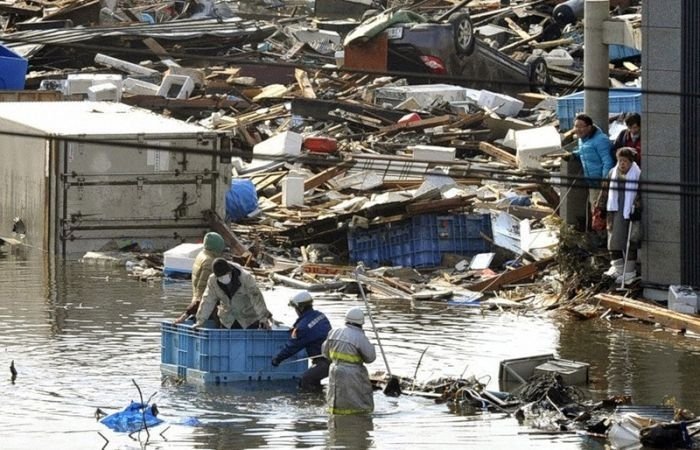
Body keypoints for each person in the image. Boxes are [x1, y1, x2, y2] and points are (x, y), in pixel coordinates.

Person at [271, 291, 332, 391]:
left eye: (295, 308)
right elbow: (312, 330)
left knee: (305, 380)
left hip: (324, 362)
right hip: (332, 359)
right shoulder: (320, 316)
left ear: (301, 308)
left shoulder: (303, 328)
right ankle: (319, 399)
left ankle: (311, 403)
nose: (295, 311)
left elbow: (292, 347)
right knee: (314, 380)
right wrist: (295, 329)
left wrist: (277, 359)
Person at [322, 307, 376, 415]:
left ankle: (336, 421)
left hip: (334, 369)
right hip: (353, 373)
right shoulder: (359, 337)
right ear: (361, 323)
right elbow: (370, 358)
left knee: (335, 395)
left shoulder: (334, 332)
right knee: (359, 399)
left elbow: (325, 353)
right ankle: (357, 420)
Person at [599, 147, 641, 284]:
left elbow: (641, 195)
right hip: (615, 211)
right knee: (613, 241)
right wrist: (600, 206)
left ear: (631, 162)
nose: (622, 164)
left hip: (630, 212)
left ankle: (629, 272)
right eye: (620, 160)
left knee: (630, 241)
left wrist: (638, 209)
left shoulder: (638, 174)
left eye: (625, 161)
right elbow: (605, 190)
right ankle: (618, 268)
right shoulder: (613, 172)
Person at [195, 258, 273, 329]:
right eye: (220, 277)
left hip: (248, 319)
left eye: (225, 275)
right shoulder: (212, 281)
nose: (223, 279)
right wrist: (200, 321)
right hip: (228, 320)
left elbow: (256, 298)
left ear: (230, 271)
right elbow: (208, 300)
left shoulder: (245, 278)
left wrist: (263, 319)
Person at [174, 232, 225, 324]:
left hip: (196, 301)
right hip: (204, 304)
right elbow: (204, 288)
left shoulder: (201, 255)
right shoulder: (210, 262)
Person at [571, 113, 614, 214]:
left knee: (602, 213)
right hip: (592, 183)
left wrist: (605, 178)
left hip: (601, 183)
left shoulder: (601, 140)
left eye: (581, 127)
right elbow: (585, 151)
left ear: (589, 127)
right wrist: (573, 155)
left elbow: (608, 161)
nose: (578, 129)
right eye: (576, 126)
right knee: (595, 212)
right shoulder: (582, 140)